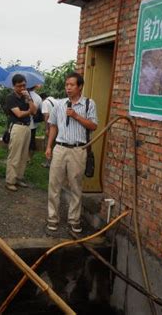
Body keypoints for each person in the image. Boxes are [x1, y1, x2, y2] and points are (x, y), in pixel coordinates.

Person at [45, 72, 97, 233]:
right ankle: (52, 218)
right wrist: (49, 146)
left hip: (78, 149)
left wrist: (75, 115)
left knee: (76, 185)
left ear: (80, 86)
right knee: (54, 184)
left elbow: (93, 126)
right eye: (66, 85)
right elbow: (53, 126)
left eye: (72, 85)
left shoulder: (89, 104)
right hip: (60, 148)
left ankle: (74, 220)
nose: (68, 88)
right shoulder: (59, 104)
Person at [4, 74, 37, 192]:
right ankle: (10, 180)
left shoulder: (27, 96)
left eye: (24, 85)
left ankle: (19, 177)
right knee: (15, 155)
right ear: (14, 86)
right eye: (19, 86)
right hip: (17, 127)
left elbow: (34, 111)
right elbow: (19, 114)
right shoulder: (10, 97)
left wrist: (28, 99)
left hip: (27, 127)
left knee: (23, 155)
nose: (22, 88)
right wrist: (29, 111)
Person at [41, 94, 57, 168]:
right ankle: (54, 162)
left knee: (48, 144)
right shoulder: (56, 101)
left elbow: (46, 115)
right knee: (55, 145)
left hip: (51, 126)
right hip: (58, 126)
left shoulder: (45, 102)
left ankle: (48, 163)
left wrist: (46, 128)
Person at [28, 85, 43, 159]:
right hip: (33, 123)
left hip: (21, 123)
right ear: (35, 87)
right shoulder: (38, 97)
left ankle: (23, 157)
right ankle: (30, 158)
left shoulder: (21, 95)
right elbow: (41, 109)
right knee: (31, 141)